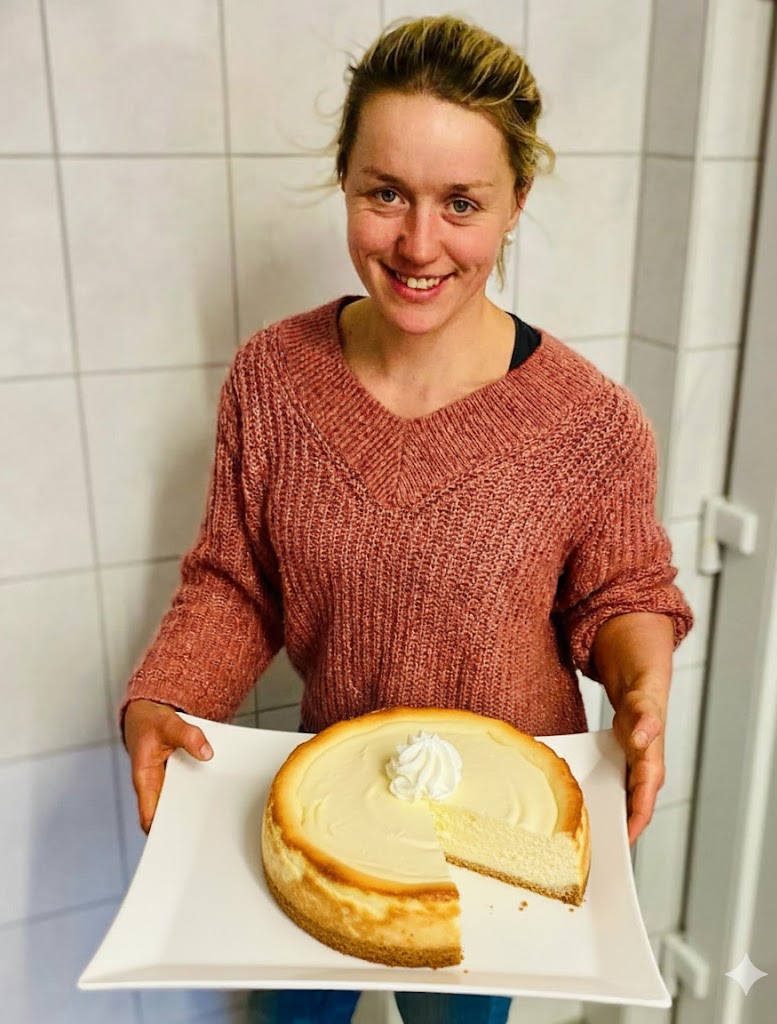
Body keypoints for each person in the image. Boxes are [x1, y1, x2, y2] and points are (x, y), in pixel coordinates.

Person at [121, 15, 692, 1024]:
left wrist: (640, 691)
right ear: (344, 178)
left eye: (460, 203)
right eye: (385, 193)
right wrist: (168, 692)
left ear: (515, 202)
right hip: (327, 800)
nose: (418, 245)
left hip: (501, 828)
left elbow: (621, 594)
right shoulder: (272, 379)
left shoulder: (593, 424)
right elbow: (237, 580)